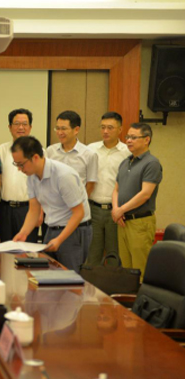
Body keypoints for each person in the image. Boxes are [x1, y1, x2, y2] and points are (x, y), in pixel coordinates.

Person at [12, 136, 92, 272]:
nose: (19, 169)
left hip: (73, 230)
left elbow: (79, 213)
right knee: (48, 273)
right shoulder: (31, 177)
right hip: (52, 228)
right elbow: (34, 210)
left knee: (70, 277)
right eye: (16, 164)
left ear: (35, 157)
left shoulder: (63, 176)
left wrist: (59, 239)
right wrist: (23, 233)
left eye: (21, 164)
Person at [112, 123, 162, 276]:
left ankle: (141, 293)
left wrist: (121, 209)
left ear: (146, 139)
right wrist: (116, 210)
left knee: (140, 269)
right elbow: (116, 189)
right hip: (123, 221)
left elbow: (145, 194)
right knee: (126, 270)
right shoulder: (125, 162)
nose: (128, 140)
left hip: (140, 222)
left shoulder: (151, 163)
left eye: (133, 137)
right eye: (127, 137)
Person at [86, 112, 131, 266]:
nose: (105, 131)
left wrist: (122, 209)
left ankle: (114, 282)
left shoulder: (127, 152)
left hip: (116, 212)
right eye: (103, 127)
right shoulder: (91, 149)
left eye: (110, 128)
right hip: (93, 210)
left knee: (115, 256)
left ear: (120, 129)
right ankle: (91, 282)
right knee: (92, 256)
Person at [0, 108, 39, 242]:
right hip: (5, 209)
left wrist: (40, 212)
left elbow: (44, 184)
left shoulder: (39, 152)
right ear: (10, 127)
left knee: (27, 249)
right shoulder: (1, 150)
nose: (21, 127)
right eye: (16, 124)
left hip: (29, 209)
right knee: (5, 248)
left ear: (30, 127)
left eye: (24, 124)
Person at [46, 110, 98, 197]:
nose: (59, 133)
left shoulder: (89, 154)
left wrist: (80, 202)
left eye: (63, 129)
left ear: (76, 130)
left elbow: (90, 184)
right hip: (53, 202)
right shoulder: (50, 151)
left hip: (77, 202)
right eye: (57, 128)